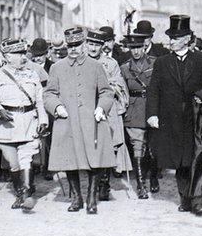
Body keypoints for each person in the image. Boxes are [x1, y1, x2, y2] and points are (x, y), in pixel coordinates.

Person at [145, 15, 202, 215]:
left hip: (196, 119)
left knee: (198, 157)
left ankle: (198, 200)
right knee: (180, 161)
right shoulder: (162, 62)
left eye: (176, 38)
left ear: (187, 39)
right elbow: (154, 90)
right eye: (170, 37)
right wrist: (152, 114)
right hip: (171, 119)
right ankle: (184, 197)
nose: (171, 41)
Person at [44, 27, 115, 214]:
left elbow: (107, 92)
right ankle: (76, 197)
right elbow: (49, 93)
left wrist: (102, 108)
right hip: (67, 121)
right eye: (70, 46)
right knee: (70, 160)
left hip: (91, 121)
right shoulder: (57, 67)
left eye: (77, 45)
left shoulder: (96, 66)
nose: (74, 49)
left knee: (94, 160)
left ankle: (92, 198)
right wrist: (57, 107)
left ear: (84, 44)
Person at [0, 39, 48, 211]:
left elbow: (40, 101)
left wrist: (43, 120)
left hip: (28, 121)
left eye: (23, 53)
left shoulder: (32, 75)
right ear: (6, 57)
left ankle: (25, 195)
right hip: (7, 125)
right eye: (17, 54)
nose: (22, 57)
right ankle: (20, 191)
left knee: (26, 158)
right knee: (14, 163)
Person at [86, 29, 130, 201]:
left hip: (107, 110)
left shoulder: (110, 64)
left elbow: (119, 84)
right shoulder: (80, 62)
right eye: (90, 44)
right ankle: (92, 184)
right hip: (87, 110)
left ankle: (104, 183)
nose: (93, 48)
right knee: (89, 146)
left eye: (97, 44)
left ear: (102, 45)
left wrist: (106, 85)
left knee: (107, 146)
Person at [120, 34, 154, 198]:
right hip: (134, 111)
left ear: (144, 46)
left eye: (138, 47)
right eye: (132, 48)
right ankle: (141, 185)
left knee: (153, 147)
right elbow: (122, 91)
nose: (136, 51)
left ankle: (153, 177)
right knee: (138, 146)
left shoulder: (155, 63)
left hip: (153, 108)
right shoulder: (124, 68)